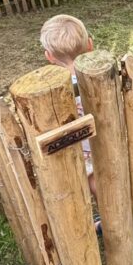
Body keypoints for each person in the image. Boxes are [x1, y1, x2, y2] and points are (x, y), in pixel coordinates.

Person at [38, 15, 98, 201]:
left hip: (76, 150)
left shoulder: (52, 90)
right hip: (105, 142)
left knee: (80, 191)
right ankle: (110, 222)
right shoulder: (101, 75)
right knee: (102, 188)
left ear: (49, 56)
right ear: (90, 44)